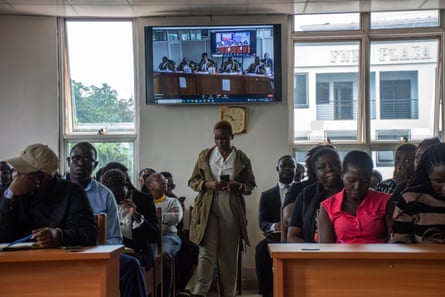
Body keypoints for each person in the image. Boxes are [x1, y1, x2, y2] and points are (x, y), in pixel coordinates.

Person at [66, 142, 148, 297]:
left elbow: (115, 238)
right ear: (68, 161)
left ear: (95, 164)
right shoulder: (56, 189)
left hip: (94, 255)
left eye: (86, 159)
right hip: (60, 254)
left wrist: (93, 248)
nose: (80, 163)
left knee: (131, 266)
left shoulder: (104, 195)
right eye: (76, 158)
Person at [185, 120, 256, 297]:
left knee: (228, 256)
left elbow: (250, 185)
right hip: (207, 206)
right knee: (206, 253)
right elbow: (192, 181)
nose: (220, 142)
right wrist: (207, 184)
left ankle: (228, 293)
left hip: (231, 206)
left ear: (231, 137)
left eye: (224, 138)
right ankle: (198, 292)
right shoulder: (205, 156)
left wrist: (236, 186)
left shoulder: (242, 159)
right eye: (216, 139)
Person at [0, 143, 98, 247]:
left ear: (40, 177)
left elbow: (89, 234)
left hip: (59, 260)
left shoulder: (71, 193)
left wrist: (59, 235)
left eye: (22, 171)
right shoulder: (10, 191)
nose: (16, 174)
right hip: (13, 260)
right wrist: (9, 196)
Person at [318, 150, 394, 243]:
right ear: (342, 175)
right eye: (351, 180)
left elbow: (393, 241)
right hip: (340, 257)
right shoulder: (328, 207)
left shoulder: (385, 201)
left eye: (364, 181)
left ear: (370, 178)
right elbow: (327, 250)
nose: (357, 186)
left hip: (380, 257)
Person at [100, 168, 159, 269]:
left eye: (118, 194)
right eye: (111, 196)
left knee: (125, 264)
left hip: (137, 251)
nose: (114, 199)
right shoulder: (103, 201)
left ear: (126, 185)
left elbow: (154, 236)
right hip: (110, 250)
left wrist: (136, 215)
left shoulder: (144, 200)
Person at [255, 155, 296, 297]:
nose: (288, 168)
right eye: (284, 165)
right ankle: (267, 293)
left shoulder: (302, 192)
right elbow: (262, 222)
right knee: (260, 250)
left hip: (295, 236)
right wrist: (274, 226)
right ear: (277, 168)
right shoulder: (266, 195)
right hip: (275, 237)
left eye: (292, 166)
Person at [391, 143, 445, 243]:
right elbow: (399, 242)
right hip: (421, 258)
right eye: (439, 181)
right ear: (428, 175)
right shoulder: (410, 199)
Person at [281, 143, 335, 242]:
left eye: (334, 163)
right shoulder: (305, 192)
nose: (330, 169)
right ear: (314, 168)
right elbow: (289, 220)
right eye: (322, 166)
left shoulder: (349, 191)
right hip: (309, 245)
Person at [146, 172, 183, 297]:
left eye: (165, 180)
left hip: (168, 236)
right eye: (159, 180)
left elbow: (176, 218)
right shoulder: (145, 201)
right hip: (149, 237)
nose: (165, 182)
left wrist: (155, 216)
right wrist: (163, 216)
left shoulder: (172, 202)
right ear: (150, 185)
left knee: (164, 255)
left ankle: (165, 294)